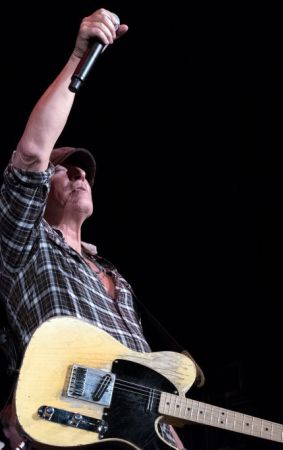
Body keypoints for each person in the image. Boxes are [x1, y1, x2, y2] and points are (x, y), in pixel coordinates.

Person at [0, 8, 186, 450]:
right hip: (70, 430)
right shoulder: (27, 244)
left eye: (85, 172)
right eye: (67, 169)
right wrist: (78, 57)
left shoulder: (116, 277)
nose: (81, 174)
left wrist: (168, 434)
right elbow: (32, 153)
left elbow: (145, 387)